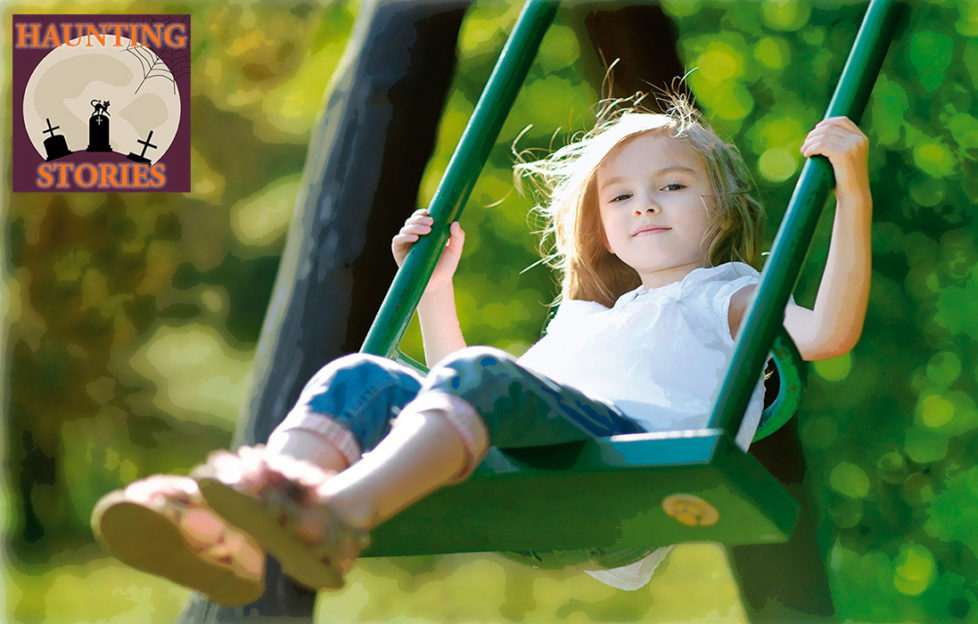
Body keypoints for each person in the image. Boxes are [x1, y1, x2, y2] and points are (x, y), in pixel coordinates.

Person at [91, 94, 872, 604]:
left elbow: (829, 334)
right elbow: (465, 401)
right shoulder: (587, 320)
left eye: (672, 185)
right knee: (363, 376)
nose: (646, 206)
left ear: (722, 205)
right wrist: (435, 293)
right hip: (534, 491)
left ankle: (338, 514)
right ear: (600, 224)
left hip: (630, 483)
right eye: (622, 196)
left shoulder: (731, 291)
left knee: (481, 378)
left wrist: (851, 190)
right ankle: (236, 519)